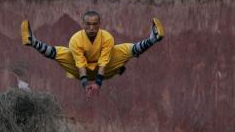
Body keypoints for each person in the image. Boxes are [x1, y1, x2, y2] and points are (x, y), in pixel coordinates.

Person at [21, 11, 164, 97]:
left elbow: (103, 62)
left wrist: (98, 83)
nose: (91, 28)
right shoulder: (76, 39)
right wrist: (85, 84)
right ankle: (33, 41)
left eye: (94, 24)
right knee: (61, 52)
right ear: (83, 24)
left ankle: (152, 39)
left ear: (99, 24)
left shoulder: (107, 37)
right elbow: (80, 64)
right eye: (88, 24)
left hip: (105, 70)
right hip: (79, 71)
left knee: (124, 49)